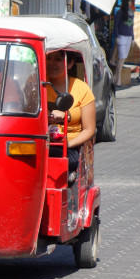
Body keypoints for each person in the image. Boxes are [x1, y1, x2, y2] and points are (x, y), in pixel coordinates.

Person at [45, 51, 96, 184]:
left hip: (68, 146)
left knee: (58, 156)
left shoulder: (81, 88)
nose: (51, 63)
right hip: (41, 142)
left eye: (57, 59)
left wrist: (67, 144)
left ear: (69, 64)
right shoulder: (37, 84)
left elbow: (89, 129)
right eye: (48, 58)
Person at [113, 0, 135, 87]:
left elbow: (132, 26)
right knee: (121, 58)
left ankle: (115, 78)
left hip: (129, 36)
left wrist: (133, 38)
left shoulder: (131, 12)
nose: (131, 3)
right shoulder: (120, 12)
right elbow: (116, 25)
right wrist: (117, 36)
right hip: (122, 36)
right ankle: (118, 79)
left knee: (123, 58)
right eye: (130, 1)